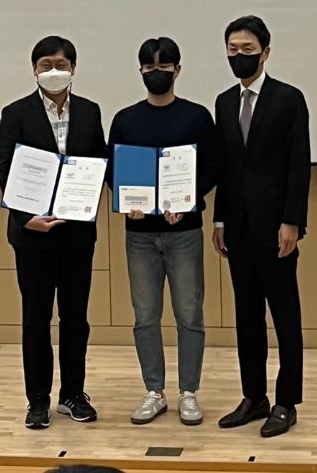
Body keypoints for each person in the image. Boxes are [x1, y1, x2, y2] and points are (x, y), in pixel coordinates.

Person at [0, 35, 107, 430]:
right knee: (36, 318)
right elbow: (6, 169)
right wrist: (25, 217)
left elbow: (99, 164)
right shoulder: (15, 113)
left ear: (73, 69)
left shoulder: (90, 112)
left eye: (61, 64)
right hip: (33, 235)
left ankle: (73, 394)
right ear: (34, 70)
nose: (54, 71)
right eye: (46, 65)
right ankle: (38, 400)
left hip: (77, 234)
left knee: (75, 318)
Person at [108, 37, 217, 426]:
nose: (157, 73)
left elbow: (211, 168)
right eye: (149, 67)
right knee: (145, 316)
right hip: (139, 234)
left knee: (189, 313)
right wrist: (127, 201)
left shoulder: (197, 117)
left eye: (164, 67)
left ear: (178, 70)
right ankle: (154, 391)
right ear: (140, 71)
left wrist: (187, 201)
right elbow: (113, 171)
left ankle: (189, 392)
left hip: (184, 232)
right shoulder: (125, 120)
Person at [213, 15, 311, 438]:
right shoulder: (223, 102)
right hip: (237, 229)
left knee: (285, 316)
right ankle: (254, 397)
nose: (240, 56)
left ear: (265, 52)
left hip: (276, 229)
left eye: (247, 49)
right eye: (233, 50)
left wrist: (292, 222)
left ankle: (287, 401)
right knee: (247, 316)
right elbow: (226, 167)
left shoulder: (288, 99)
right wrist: (219, 218)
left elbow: (299, 165)